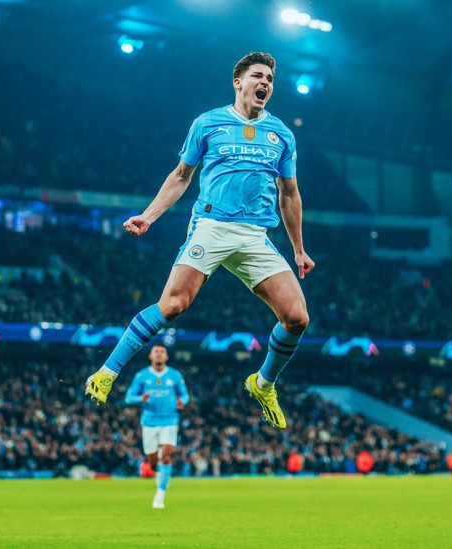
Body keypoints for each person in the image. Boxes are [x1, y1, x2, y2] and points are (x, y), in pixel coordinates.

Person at [85, 51, 314, 430]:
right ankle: (107, 371)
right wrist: (149, 215)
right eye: (258, 76)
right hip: (212, 225)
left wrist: (299, 249)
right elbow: (180, 176)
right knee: (173, 305)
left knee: (297, 318)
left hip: (256, 235)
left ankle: (263, 383)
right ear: (238, 82)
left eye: (271, 79)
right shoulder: (208, 123)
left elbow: (290, 194)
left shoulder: (282, 135)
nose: (266, 83)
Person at [124, 344, 190, 509]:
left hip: (170, 420)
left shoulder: (175, 375)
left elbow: (185, 394)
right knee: (153, 463)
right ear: (150, 356)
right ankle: (157, 469)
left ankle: (160, 495)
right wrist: (141, 398)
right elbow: (128, 398)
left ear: (166, 357)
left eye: (162, 352)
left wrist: (183, 402)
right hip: (149, 422)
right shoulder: (142, 376)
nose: (159, 355)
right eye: (156, 352)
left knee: (167, 456)